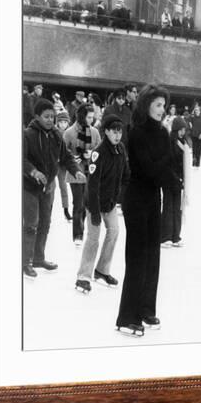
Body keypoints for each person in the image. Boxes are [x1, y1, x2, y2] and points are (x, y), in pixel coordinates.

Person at [116, 84, 180, 337]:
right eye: (157, 105)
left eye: (164, 106)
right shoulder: (137, 132)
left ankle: (145, 309)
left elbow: (167, 166)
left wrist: (175, 183)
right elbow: (148, 168)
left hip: (154, 199)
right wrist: (169, 165)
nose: (162, 110)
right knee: (137, 258)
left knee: (153, 257)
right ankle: (126, 316)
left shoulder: (163, 133)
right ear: (146, 105)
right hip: (136, 198)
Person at [23, 99, 85, 278]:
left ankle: (38, 258)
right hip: (30, 187)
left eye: (53, 117)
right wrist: (33, 172)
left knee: (45, 223)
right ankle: (25, 261)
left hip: (48, 187)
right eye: (46, 116)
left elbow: (66, 157)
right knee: (31, 225)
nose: (50, 120)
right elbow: (21, 159)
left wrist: (76, 171)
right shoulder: (28, 134)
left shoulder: (57, 135)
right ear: (37, 117)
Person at [75, 115, 129, 294]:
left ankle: (102, 270)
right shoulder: (99, 153)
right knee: (93, 238)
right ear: (106, 131)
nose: (117, 134)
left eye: (120, 131)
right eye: (114, 131)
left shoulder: (120, 149)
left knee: (114, 232)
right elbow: (92, 184)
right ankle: (83, 276)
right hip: (95, 203)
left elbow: (126, 175)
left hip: (110, 202)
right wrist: (95, 212)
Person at [63, 103, 101, 246]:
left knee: (86, 204)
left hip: (90, 173)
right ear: (81, 116)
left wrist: (92, 154)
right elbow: (62, 154)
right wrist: (72, 157)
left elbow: (100, 151)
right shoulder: (69, 132)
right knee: (78, 203)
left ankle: (81, 229)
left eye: (92, 117)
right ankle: (77, 234)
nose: (91, 120)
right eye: (89, 117)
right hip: (75, 173)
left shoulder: (95, 132)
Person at [161, 116, 190, 248]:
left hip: (178, 181)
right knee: (168, 208)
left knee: (177, 208)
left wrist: (183, 180)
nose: (183, 132)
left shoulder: (183, 143)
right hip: (169, 180)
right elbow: (168, 163)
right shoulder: (169, 142)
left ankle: (175, 236)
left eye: (184, 129)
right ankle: (165, 236)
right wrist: (176, 178)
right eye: (181, 129)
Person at [56, 111, 72, 222]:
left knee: (63, 187)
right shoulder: (53, 132)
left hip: (63, 164)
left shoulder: (70, 133)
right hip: (52, 163)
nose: (63, 124)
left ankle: (66, 210)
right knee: (49, 187)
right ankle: (47, 209)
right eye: (60, 122)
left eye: (65, 122)